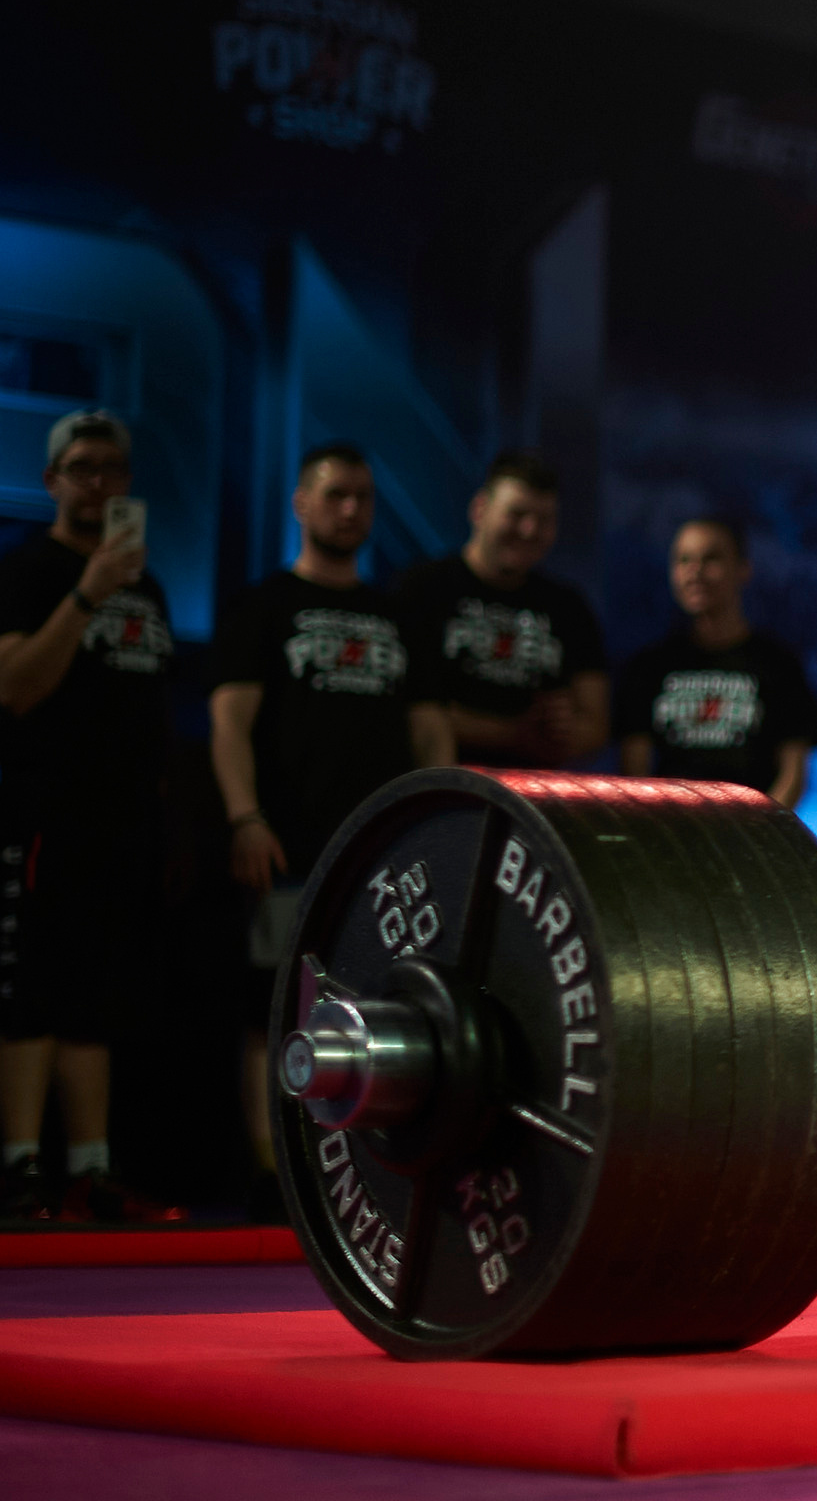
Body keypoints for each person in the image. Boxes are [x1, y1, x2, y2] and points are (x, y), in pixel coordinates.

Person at [209, 444, 455, 1211]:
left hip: (381, 851)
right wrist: (244, 816)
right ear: (301, 505)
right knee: (273, 1011)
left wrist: (442, 827)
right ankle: (270, 1171)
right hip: (285, 844)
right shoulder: (264, 605)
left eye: (363, 498)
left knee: (382, 1008)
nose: (352, 510)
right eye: (336, 495)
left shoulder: (397, 615)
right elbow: (228, 722)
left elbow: (431, 733)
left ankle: (358, 1172)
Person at [0, 410, 184, 1223]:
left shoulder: (151, 586)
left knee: (99, 999)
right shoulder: (28, 569)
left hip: (127, 822)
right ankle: (19, 1171)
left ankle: (91, 1171)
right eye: (81, 466)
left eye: (112, 466)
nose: (98, 481)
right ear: (52, 481)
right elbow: (16, 687)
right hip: (45, 810)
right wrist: (87, 593)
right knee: (35, 991)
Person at [396, 452, 608, 768]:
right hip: (444, 796)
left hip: (536, 807)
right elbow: (407, 709)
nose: (529, 530)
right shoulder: (423, 589)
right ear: (480, 509)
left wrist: (563, 729)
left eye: (545, 520)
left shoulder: (568, 606)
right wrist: (514, 734)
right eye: (516, 514)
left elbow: (596, 726)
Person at [615, 517, 817, 806]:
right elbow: (634, 771)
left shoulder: (778, 663)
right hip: (669, 831)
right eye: (683, 560)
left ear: (743, 569)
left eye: (711, 558)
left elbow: (794, 773)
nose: (695, 572)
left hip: (753, 835)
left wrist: (760, 833)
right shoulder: (650, 665)